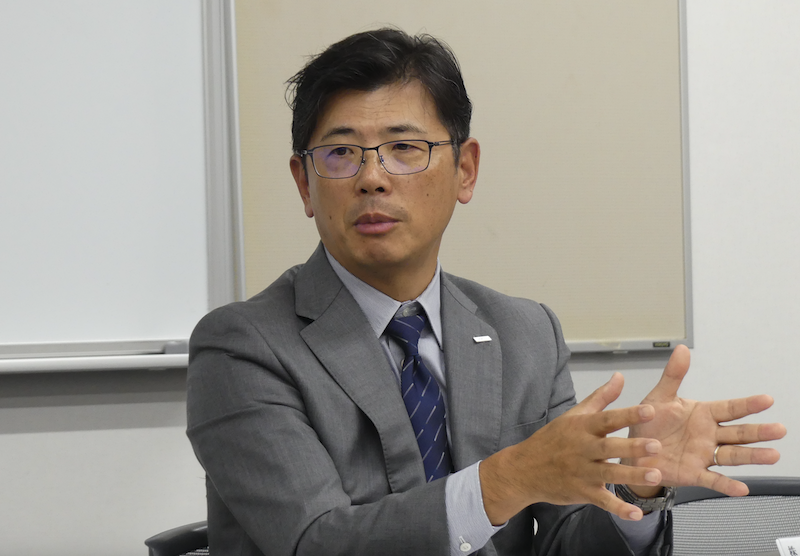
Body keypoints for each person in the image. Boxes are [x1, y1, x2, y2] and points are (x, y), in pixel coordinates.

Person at [186, 28, 786, 556]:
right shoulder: (243, 346)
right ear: (304, 183)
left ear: (465, 170)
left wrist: (636, 488)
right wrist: (506, 479)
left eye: (404, 148)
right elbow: (315, 543)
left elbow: (567, 541)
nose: (372, 178)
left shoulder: (525, 333)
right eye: (341, 153)